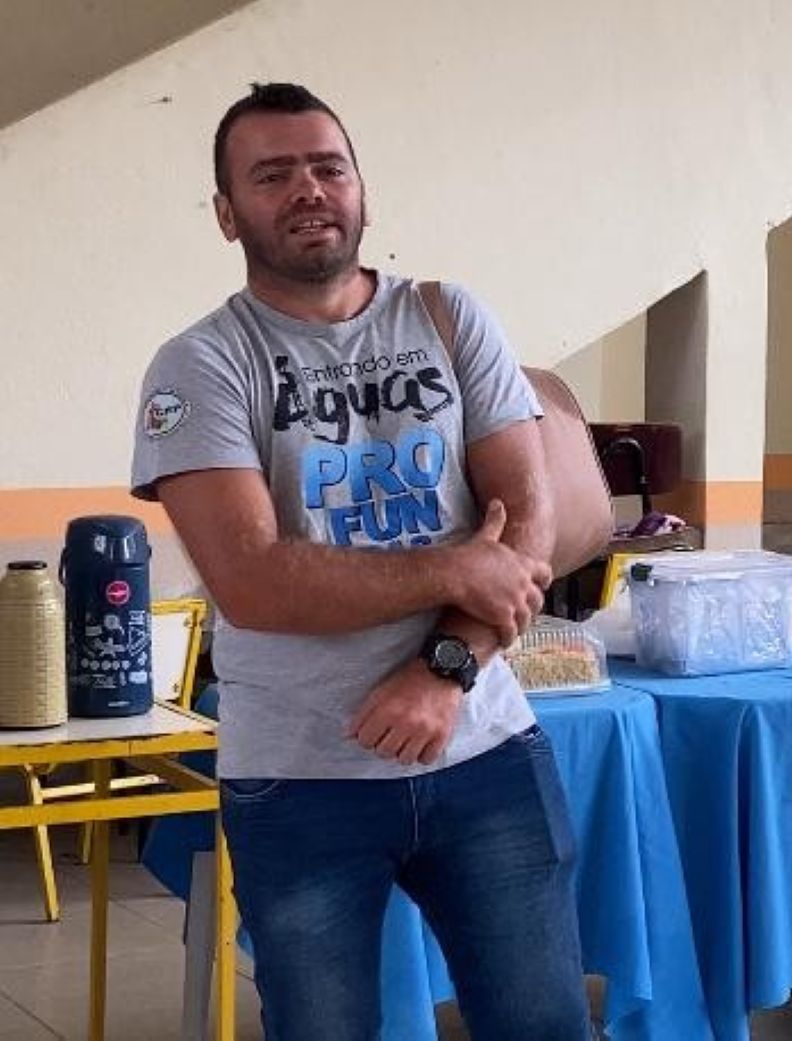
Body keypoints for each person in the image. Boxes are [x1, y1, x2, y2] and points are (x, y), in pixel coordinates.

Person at [131, 82, 592, 1041]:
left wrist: (444, 671)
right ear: (227, 213)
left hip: (484, 754)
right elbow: (253, 580)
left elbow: (526, 529)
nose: (308, 188)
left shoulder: (450, 317)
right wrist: (454, 568)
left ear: (362, 192)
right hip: (300, 779)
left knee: (542, 1024)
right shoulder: (201, 365)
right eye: (272, 175)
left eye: (327, 167)